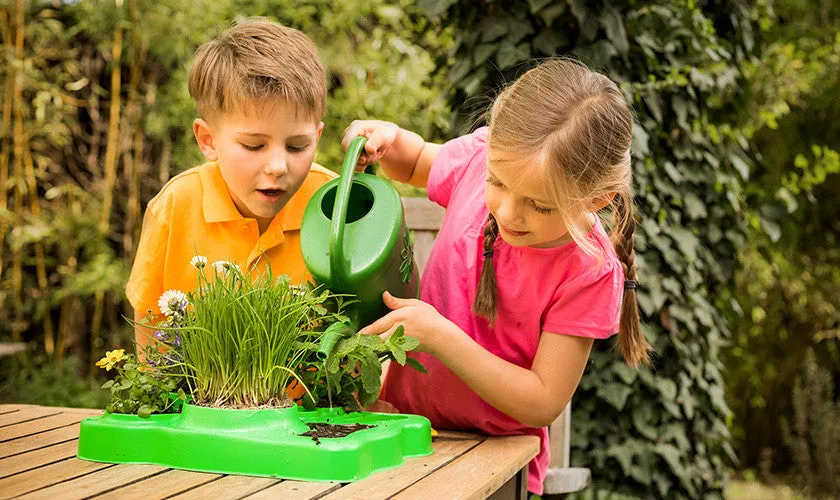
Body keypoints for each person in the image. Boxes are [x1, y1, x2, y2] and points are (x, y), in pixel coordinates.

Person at [344, 58, 653, 495]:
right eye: (498, 182)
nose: (507, 211)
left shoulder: (589, 271)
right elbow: (412, 162)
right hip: (400, 426)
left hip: (497, 463)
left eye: (541, 206)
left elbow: (542, 400)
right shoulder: (478, 158)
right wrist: (387, 139)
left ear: (597, 199)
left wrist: (440, 336)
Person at [126, 18, 333, 348]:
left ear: (317, 136)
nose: (278, 166)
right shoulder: (175, 207)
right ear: (208, 140)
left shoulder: (335, 204)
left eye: (297, 146)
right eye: (253, 145)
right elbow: (152, 346)